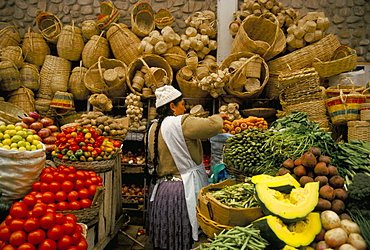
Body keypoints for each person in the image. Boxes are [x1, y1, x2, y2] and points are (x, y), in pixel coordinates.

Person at [145, 85, 227, 250]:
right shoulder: (180, 123)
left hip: (162, 190)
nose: (185, 108)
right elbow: (214, 126)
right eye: (182, 104)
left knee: (167, 237)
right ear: (172, 106)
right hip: (181, 191)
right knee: (182, 236)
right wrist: (219, 116)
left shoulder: (153, 127)